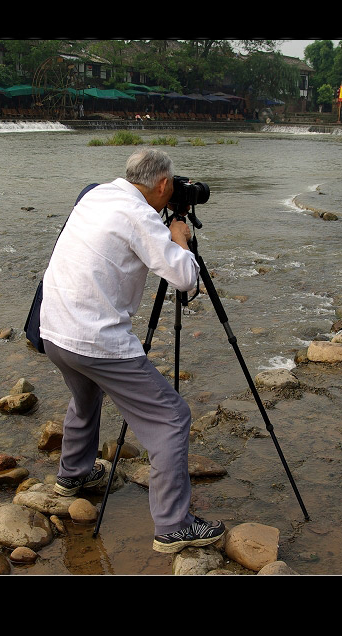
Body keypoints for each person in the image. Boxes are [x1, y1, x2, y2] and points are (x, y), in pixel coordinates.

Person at [39, 148, 225, 553]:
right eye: (172, 187)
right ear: (162, 185)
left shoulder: (97, 194)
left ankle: (73, 474)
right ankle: (174, 525)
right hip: (95, 340)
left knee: (86, 394)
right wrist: (179, 238)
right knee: (172, 418)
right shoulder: (140, 216)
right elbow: (185, 279)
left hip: (54, 330)